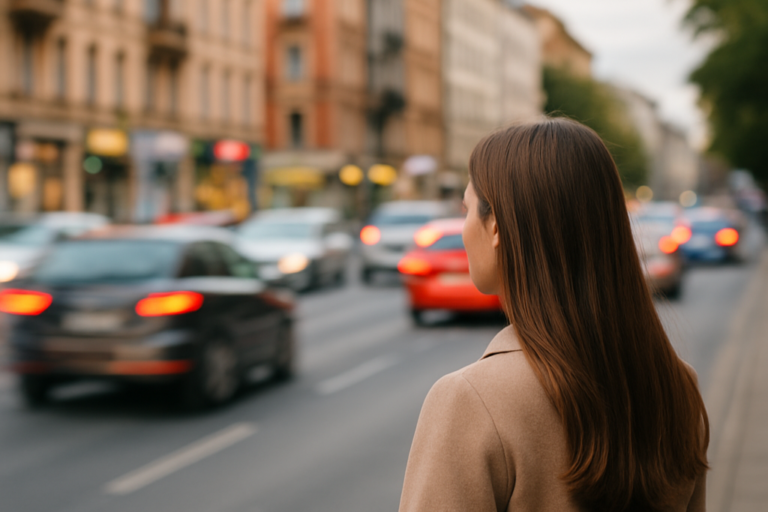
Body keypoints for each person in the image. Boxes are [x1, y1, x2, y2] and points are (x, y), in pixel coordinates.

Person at [399, 118, 709, 512]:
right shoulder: (677, 385)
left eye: (467, 209)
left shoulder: (470, 400)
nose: (463, 228)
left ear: (495, 225)